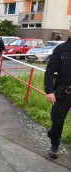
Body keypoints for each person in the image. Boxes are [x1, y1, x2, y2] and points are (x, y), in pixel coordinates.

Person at [44, 27, 71, 159]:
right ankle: (54, 144)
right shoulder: (61, 49)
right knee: (57, 120)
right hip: (64, 92)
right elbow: (49, 71)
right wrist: (49, 91)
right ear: (70, 30)